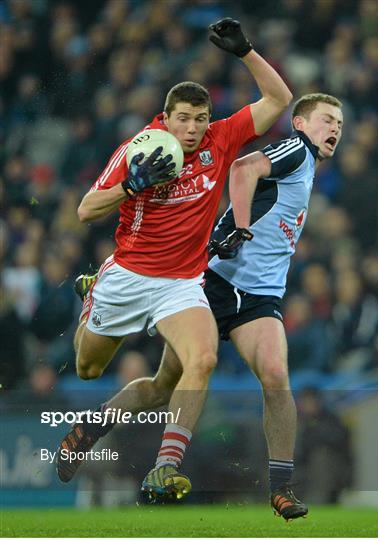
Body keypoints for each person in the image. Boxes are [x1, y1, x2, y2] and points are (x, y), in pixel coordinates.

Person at [61, 93, 343, 522]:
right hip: (213, 281)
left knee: (275, 374)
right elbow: (244, 169)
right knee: (160, 387)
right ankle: (96, 426)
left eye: (340, 123)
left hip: (259, 297)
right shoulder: (295, 148)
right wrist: (242, 229)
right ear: (301, 124)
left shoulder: (308, 169)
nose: (336, 129)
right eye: (327, 120)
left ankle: (281, 487)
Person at [56, 17, 293, 503]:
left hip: (181, 283)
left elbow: (279, 101)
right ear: (165, 117)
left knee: (201, 359)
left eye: (199, 118)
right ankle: (93, 298)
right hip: (128, 275)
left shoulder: (220, 141)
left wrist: (247, 51)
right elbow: (84, 210)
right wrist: (132, 186)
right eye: (182, 118)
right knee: (88, 369)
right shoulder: (139, 150)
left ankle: (165, 468)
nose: (191, 128)